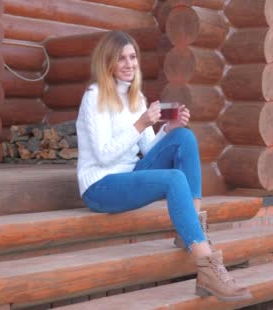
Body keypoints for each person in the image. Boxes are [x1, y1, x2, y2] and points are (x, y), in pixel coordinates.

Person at [76, 31, 252, 301]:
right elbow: (103, 155)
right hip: (100, 185)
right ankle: (208, 267)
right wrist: (141, 123)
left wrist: (166, 129)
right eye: (120, 58)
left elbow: (147, 149)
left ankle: (191, 229)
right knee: (173, 179)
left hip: (129, 176)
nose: (129, 64)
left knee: (183, 137)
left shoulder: (135, 97)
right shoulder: (95, 96)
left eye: (132, 57)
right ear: (106, 62)